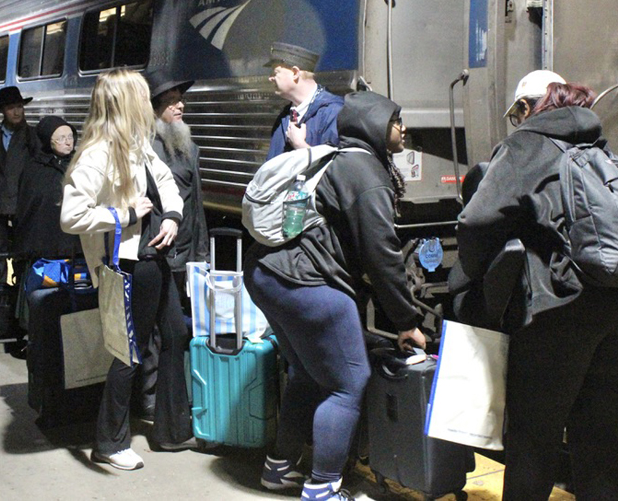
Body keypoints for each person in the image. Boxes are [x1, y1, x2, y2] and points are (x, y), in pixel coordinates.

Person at [453, 71, 618, 500]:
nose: (517, 121)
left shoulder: (526, 146)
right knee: (603, 439)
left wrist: (470, 281)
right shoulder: (604, 151)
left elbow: (476, 220)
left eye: (518, 112)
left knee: (534, 438)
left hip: (565, 308)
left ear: (529, 107)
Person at [244, 91, 426, 501]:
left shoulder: (336, 159)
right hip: (305, 283)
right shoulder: (365, 173)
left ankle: (278, 468)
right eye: (397, 122)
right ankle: (323, 488)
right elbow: (382, 256)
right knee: (348, 383)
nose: (403, 130)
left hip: (265, 273)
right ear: (377, 127)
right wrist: (407, 322)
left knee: (308, 373)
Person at [60, 69, 194, 471]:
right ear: (126, 103)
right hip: (127, 266)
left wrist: (172, 215)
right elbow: (71, 215)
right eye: (141, 96)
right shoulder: (98, 152)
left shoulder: (137, 143)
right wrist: (123, 214)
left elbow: (166, 181)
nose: (147, 103)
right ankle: (109, 441)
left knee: (175, 333)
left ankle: (172, 428)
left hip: (155, 260)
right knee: (128, 353)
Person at [144, 69, 209, 294]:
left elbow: (196, 204)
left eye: (180, 100)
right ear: (154, 109)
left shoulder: (190, 148)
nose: (180, 106)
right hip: (155, 251)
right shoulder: (144, 149)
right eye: (171, 101)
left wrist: (201, 254)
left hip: (183, 250)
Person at [0, 86, 40, 283]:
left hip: (22, 200)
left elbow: (38, 169)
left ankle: (21, 287)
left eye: (20, 106)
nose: (17, 111)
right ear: (3, 111)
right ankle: (0, 288)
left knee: (24, 246)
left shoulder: (32, 135)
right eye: (12, 107)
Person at [13, 116, 84, 266]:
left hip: (76, 246)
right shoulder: (34, 168)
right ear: (47, 140)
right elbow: (27, 209)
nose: (68, 142)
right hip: (42, 247)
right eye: (61, 138)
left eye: (70, 136)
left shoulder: (81, 164)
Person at [265, 42, 344, 160]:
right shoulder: (284, 117)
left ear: (295, 73)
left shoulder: (333, 112)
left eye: (275, 73)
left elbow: (337, 168)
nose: (270, 78)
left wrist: (299, 145)